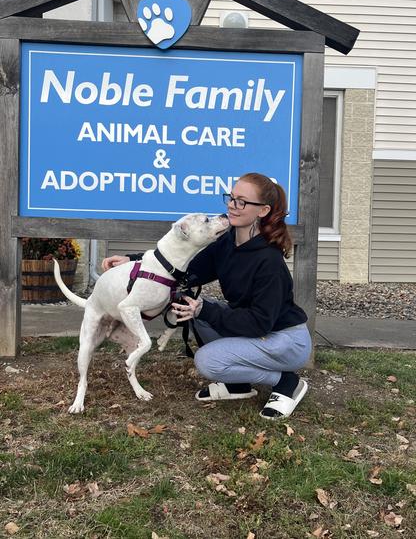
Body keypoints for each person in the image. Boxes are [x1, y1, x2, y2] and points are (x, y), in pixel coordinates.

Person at [102, 173, 311, 420]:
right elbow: (186, 270)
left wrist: (203, 310)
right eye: (231, 198)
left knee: (207, 360)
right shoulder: (227, 242)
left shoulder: (269, 261)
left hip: (285, 340)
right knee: (190, 306)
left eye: (242, 201)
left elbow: (259, 323)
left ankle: (286, 381)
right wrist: (133, 261)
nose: (232, 205)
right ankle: (238, 385)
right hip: (258, 332)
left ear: (263, 211)